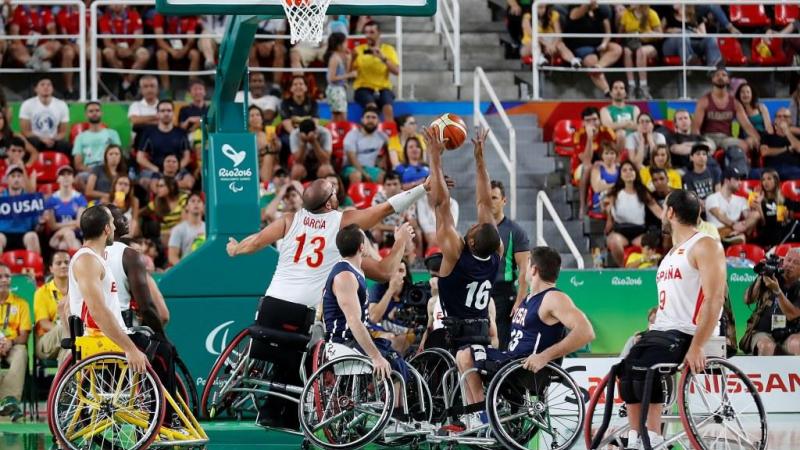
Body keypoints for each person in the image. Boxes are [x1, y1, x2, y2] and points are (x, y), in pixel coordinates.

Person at [226, 177, 422, 429]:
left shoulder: (289, 219)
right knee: (303, 357)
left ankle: (271, 410)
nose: (336, 190)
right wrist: (421, 189)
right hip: (302, 313)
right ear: (330, 202)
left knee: (281, 355)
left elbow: (254, 242)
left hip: (270, 306)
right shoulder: (341, 222)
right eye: (333, 190)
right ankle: (289, 412)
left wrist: (235, 250)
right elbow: (385, 209)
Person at [619, 189, 726, 449]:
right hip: (665, 330)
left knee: (646, 365)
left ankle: (653, 435)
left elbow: (715, 299)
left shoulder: (705, 245)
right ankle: (635, 436)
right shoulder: (669, 255)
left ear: (670, 212)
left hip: (690, 332)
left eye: (662, 208)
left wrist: (698, 345)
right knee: (627, 368)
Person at [455, 247, 595, 428]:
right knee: (462, 354)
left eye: (527, 264)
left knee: (467, 355)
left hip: (525, 368)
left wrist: (544, 356)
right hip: (511, 361)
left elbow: (586, 332)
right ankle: (478, 414)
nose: (524, 268)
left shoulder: (553, 298)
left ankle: (483, 417)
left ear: (534, 269)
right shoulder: (529, 298)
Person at [425, 124, 503, 353]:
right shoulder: (495, 254)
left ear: (471, 241)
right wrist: (480, 160)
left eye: (475, 228)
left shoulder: (456, 254)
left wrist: (435, 158)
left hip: (454, 336)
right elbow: (484, 203)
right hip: (481, 333)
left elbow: (441, 204)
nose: (474, 224)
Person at [322, 224, 412, 418]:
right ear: (362, 247)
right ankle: (396, 417)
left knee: (397, 358)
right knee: (393, 363)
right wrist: (376, 357)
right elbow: (354, 322)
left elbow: (386, 267)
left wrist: (399, 242)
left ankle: (397, 415)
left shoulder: (353, 270)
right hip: (343, 342)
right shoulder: (345, 275)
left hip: (350, 339)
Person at [106, 204, 170, 332]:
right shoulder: (129, 257)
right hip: (127, 332)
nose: (126, 219)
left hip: (90, 334)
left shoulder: (82, 257)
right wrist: (160, 339)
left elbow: (66, 307)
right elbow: (163, 315)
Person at [488, 180, 531, 350]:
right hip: (481, 292)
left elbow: (524, 271)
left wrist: (520, 301)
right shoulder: (477, 230)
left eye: (494, 197)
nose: (490, 202)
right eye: (487, 198)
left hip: (503, 294)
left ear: (504, 201)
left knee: (501, 343)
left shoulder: (515, 231)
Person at [740, 249, 800, 356]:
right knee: (766, 346)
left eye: (796, 263)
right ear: (783, 261)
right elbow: (747, 299)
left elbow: (792, 314)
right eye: (788, 260)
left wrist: (777, 291)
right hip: (763, 333)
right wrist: (761, 276)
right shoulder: (771, 276)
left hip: (791, 332)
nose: (790, 265)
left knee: (797, 344)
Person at [692, 66, 759, 157]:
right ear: (712, 79)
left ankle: (737, 170)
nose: (720, 77)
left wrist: (756, 138)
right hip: (708, 137)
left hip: (726, 138)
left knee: (744, 145)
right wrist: (698, 143)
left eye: (724, 75)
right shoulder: (704, 101)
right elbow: (695, 128)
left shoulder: (735, 103)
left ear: (728, 80)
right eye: (717, 75)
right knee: (704, 148)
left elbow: (747, 125)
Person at [605, 161, 662, 267]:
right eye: (625, 170)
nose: (628, 172)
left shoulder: (643, 191)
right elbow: (609, 212)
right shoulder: (614, 193)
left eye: (631, 169)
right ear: (620, 174)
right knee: (613, 241)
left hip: (639, 232)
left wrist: (669, 219)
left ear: (636, 173)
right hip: (620, 231)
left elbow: (657, 210)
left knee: (650, 243)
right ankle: (623, 269)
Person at [563, 0, 622, 97]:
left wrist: (604, 43)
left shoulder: (600, 11)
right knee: (591, 59)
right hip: (582, 45)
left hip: (598, 44)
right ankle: (608, 91)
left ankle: (597, 67)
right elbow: (575, 16)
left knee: (617, 48)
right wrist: (588, 5)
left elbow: (608, 32)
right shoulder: (575, 9)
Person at [99, 4, 151, 97]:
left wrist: (130, 50)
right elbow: (107, 42)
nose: (115, 4)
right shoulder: (104, 18)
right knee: (108, 52)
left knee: (144, 55)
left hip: (132, 48)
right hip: (115, 49)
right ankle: (128, 83)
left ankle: (125, 84)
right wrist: (119, 50)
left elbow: (139, 40)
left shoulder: (134, 15)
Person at [0, 264, 30, 422]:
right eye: (0, 277)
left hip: (12, 344)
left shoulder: (21, 304)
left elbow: (24, 336)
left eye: (7, 276)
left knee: (22, 352)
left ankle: (8, 401)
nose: (4, 280)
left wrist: (10, 342)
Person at [352, 21, 399, 121]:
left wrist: (383, 58)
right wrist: (351, 59)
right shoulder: (358, 50)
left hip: (383, 87)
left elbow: (396, 71)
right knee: (371, 107)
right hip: (363, 87)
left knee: (388, 108)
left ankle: (390, 135)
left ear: (379, 33)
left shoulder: (388, 50)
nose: (368, 35)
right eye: (366, 32)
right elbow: (349, 72)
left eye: (372, 32)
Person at [367, 259, 416, 354]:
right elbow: (373, 318)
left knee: (404, 338)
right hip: (379, 331)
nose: (397, 274)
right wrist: (390, 290)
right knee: (390, 338)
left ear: (405, 273)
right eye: (394, 270)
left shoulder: (411, 292)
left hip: (403, 332)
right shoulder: (378, 288)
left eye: (401, 270)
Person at [575, 106, 616, 215]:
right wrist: (589, 138)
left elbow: (613, 153)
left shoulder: (607, 132)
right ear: (583, 122)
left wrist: (603, 163)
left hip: (604, 163)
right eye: (588, 120)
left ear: (599, 120)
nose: (592, 123)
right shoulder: (579, 135)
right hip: (582, 168)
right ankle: (582, 206)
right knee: (588, 168)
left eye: (594, 119)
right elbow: (586, 160)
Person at [137, 100, 192, 176]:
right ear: (158, 114)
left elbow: (187, 157)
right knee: (145, 182)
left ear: (173, 113)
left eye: (169, 111)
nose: (166, 113)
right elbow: (140, 157)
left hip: (177, 171)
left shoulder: (181, 133)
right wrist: (156, 169)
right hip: (155, 170)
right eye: (162, 111)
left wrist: (176, 169)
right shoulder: (148, 133)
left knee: (189, 182)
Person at [34, 250, 70, 362]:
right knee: (62, 329)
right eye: (58, 263)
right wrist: (67, 330)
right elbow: (43, 323)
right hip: (46, 342)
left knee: (68, 351)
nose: (63, 265)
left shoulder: (79, 290)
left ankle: (63, 379)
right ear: (51, 268)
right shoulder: (42, 292)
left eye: (67, 262)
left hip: (69, 341)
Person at [619, 5, 662, 99]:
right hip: (631, 43)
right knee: (626, 51)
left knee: (640, 51)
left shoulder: (652, 13)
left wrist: (649, 34)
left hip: (648, 44)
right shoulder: (626, 14)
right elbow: (620, 33)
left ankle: (643, 87)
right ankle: (631, 86)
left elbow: (660, 34)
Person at [704, 167, 756, 244]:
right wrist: (734, 225)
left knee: (755, 215)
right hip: (716, 234)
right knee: (740, 238)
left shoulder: (741, 200)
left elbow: (749, 217)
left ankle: (733, 237)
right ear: (727, 181)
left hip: (735, 232)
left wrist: (756, 204)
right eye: (737, 179)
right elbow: (719, 215)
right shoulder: (712, 198)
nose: (740, 182)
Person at [18, 78, 70, 154]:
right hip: (35, 139)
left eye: (49, 85)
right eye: (42, 85)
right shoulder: (27, 104)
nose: (46, 87)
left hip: (53, 139)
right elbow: (26, 131)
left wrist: (53, 139)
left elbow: (63, 132)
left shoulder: (62, 105)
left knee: (66, 145)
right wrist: (41, 139)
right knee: (32, 142)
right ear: (36, 89)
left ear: (52, 89)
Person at [750, 169, 800, 247]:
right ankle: (775, 250)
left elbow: (782, 222)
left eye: (769, 179)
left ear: (776, 181)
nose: (766, 182)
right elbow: (762, 224)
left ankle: (776, 249)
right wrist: (759, 205)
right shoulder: (759, 199)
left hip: (781, 233)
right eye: (763, 179)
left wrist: (787, 218)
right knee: (795, 224)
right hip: (767, 233)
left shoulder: (782, 200)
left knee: (795, 224)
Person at [153, 13, 200, 94]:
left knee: (195, 54)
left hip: (185, 48)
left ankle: (191, 90)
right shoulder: (159, 15)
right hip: (167, 48)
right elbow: (159, 40)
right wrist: (171, 51)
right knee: (161, 55)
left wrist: (183, 50)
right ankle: (166, 90)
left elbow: (190, 40)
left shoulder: (190, 15)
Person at [0, 165, 42, 254]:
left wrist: (41, 223)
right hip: (3, 234)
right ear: (7, 179)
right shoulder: (1, 199)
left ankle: (35, 267)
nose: (16, 179)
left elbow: (37, 228)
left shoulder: (31, 200)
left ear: (23, 179)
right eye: (13, 176)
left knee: (33, 236)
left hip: (25, 234)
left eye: (19, 176)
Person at [72, 102, 122, 176]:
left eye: (97, 110)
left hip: (109, 168)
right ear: (86, 114)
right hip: (89, 170)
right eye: (91, 111)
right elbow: (78, 164)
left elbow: (119, 156)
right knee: (78, 179)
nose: (94, 113)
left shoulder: (113, 134)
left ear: (101, 113)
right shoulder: (80, 137)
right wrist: (94, 171)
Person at [342, 106, 389, 185]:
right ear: (362, 120)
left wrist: (384, 159)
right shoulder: (352, 135)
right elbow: (352, 159)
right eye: (367, 117)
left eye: (374, 117)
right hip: (351, 168)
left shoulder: (382, 136)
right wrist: (364, 174)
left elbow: (390, 149)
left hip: (371, 168)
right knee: (356, 175)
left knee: (383, 176)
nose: (370, 120)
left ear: (378, 121)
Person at [44, 165, 87, 251]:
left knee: (64, 244)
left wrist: (62, 228)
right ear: (58, 179)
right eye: (63, 175)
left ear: (73, 178)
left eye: (69, 174)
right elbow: (52, 226)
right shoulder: (51, 200)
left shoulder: (80, 198)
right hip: (56, 236)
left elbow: (79, 224)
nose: (66, 177)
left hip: (75, 236)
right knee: (68, 236)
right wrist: (72, 223)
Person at [525, 3, 581, 68]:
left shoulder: (553, 15)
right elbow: (531, 33)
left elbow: (558, 32)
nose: (541, 10)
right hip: (535, 41)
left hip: (550, 41)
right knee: (535, 43)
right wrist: (547, 44)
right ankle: (540, 58)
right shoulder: (527, 16)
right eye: (539, 8)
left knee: (560, 45)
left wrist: (553, 45)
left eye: (543, 8)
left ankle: (573, 61)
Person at [7, 5, 61, 73]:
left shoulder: (46, 11)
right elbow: (14, 31)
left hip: (40, 47)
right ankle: (35, 64)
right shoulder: (18, 10)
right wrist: (19, 45)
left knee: (56, 44)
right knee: (14, 47)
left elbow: (52, 29)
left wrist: (51, 39)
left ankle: (32, 63)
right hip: (23, 45)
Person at [665, 109, 715, 173]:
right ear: (675, 123)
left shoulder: (698, 137)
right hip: (683, 168)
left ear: (690, 121)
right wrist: (701, 146)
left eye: (686, 118)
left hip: (701, 166)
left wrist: (685, 145)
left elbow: (710, 147)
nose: (684, 121)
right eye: (680, 119)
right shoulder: (671, 137)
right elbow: (676, 149)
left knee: (714, 165)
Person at [759, 107, 800, 181]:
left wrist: (787, 131)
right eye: (779, 116)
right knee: (752, 173)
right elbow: (764, 152)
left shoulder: (797, 135)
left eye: (786, 116)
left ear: (791, 120)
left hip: (792, 168)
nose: (782, 119)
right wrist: (787, 148)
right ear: (775, 120)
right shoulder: (768, 134)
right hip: (772, 169)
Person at [279, 76, 319, 150]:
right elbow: (287, 125)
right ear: (291, 88)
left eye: (301, 84)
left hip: (309, 133)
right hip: (291, 133)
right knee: (284, 140)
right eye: (295, 84)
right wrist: (299, 136)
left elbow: (315, 122)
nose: (298, 86)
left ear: (306, 87)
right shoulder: (285, 103)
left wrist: (309, 136)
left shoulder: (313, 103)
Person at [324, 32, 356, 123]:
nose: (347, 45)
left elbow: (344, 74)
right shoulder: (334, 58)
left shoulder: (339, 57)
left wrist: (349, 60)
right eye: (345, 42)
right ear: (339, 45)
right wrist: (350, 75)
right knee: (340, 117)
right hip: (335, 90)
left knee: (338, 116)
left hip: (339, 89)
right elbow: (331, 78)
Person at [168, 192, 205, 266]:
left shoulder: (209, 228)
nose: (196, 203)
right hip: (186, 268)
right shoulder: (178, 229)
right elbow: (172, 256)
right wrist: (184, 269)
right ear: (186, 207)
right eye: (193, 201)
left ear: (203, 206)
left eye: (199, 201)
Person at [148, 176, 188, 245]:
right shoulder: (157, 202)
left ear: (171, 186)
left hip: (181, 231)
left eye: (161, 186)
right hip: (166, 237)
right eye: (157, 186)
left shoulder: (183, 197)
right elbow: (140, 212)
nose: (158, 189)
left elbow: (184, 219)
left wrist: (172, 231)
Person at [600, 81, 640, 146]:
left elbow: (638, 126)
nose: (618, 91)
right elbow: (608, 126)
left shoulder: (634, 109)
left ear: (625, 93)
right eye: (615, 88)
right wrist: (627, 123)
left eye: (621, 88)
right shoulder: (605, 110)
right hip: (614, 142)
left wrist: (617, 125)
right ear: (610, 93)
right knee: (621, 133)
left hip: (633, 141)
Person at [735, 83, 772, 152]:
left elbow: (768, 127)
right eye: (742, 92)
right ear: (739, 95)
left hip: (763, 135)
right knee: (750, 141)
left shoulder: (761, 107)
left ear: (752, 94)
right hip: (746, 137)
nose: (745, 94)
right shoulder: (737, 110)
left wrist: (769, 139)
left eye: (748, 92)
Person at [127, 75, 160, 148]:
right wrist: (156, 117)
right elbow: (134, 120)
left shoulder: (163, 106)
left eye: (152, 86)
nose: (149, 89)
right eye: (145, 86)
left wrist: (142, 122)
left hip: (159, 143)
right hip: (138, 144)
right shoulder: (135, 105)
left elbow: (168, 122)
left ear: (157, 89)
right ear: (141, 90)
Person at [590, 141, 620, 213]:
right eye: (606, 153)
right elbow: (597, 188)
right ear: (602, 155)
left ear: (616, 155)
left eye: (612, 153)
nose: (609, 156)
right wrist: (616, 185)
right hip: (601, 200)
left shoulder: (620, 168)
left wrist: (605, 185)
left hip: (617, 198)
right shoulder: (597, 168)